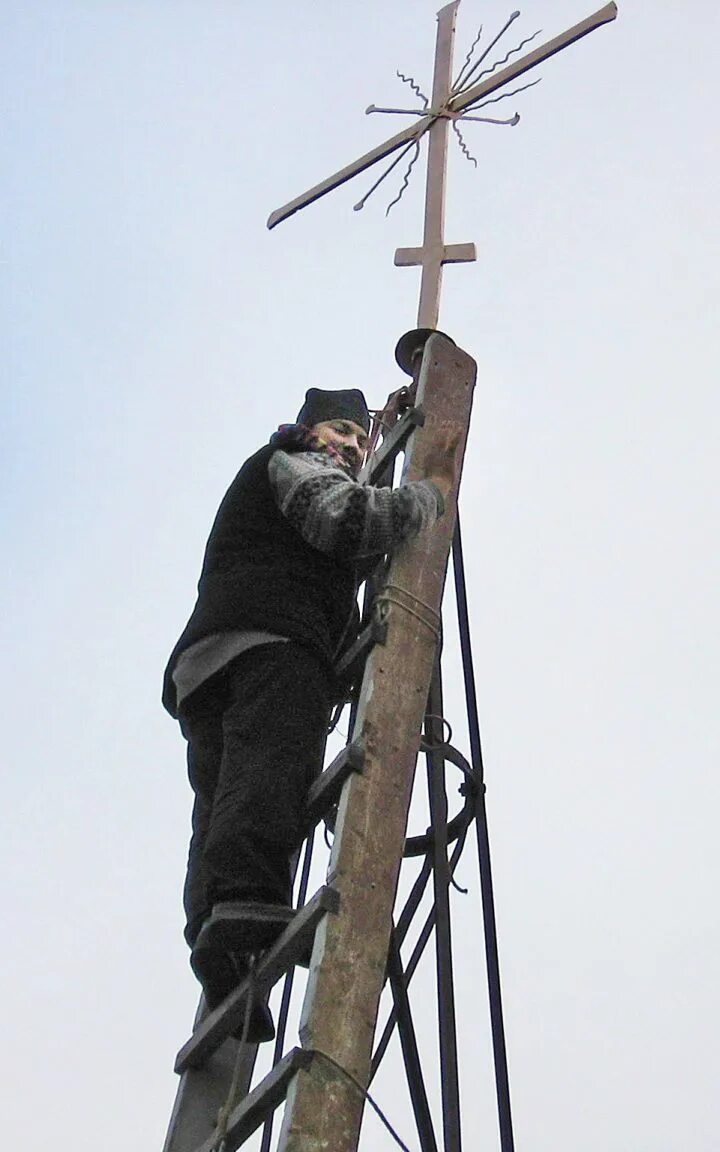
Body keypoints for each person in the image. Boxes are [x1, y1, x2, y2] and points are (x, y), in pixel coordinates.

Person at [162, 386, 444, 1038]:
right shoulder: (292, 457)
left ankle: (219, 937)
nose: (346, 445)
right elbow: (345, 521)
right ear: (308, 430)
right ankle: (244, 902)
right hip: (268, 644)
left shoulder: (290, 471)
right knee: (271, 761)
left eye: (358, 438)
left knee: (221, 797)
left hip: (211, 660)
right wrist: (424, 499)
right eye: (338, 431)